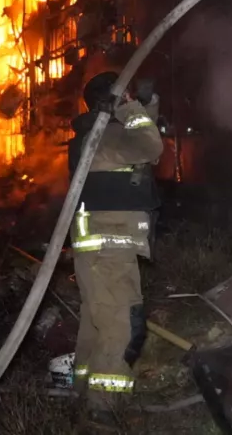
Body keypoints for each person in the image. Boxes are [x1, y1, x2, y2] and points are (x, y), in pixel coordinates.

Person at [66, 70, 163, 425]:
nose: (128, 102)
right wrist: (135, 109)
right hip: (110, 248)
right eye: (123, 97)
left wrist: (147, 106)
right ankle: (103, 409)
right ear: (113, 101)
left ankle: (82, 393)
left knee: (96, 322)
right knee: (122, 325)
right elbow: (150, 146)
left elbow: (139, 138)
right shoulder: (105, 136)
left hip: (100, 246)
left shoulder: (97, 136)